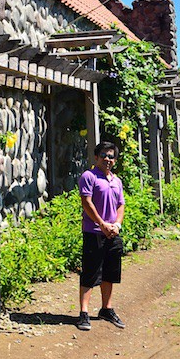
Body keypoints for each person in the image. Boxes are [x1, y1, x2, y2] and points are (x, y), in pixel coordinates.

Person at [76, 141, 125, 331]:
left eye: (111, 156)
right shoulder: (89, 176)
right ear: (96, 157)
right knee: (90, 272)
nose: (108, 159)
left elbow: (121, 205)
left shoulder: (116, 181)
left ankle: (106, 308)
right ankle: (84, 312)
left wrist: (117, 225)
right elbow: (86, 202)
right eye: (104, 155)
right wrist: (101, 224)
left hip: (113, 232)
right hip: (94, 232)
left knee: (110, 273)